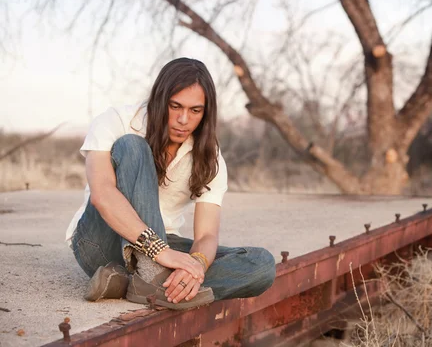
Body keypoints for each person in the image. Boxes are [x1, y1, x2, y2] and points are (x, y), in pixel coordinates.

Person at [65, 57, 276, 310]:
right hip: (102, 241)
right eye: (175, 106)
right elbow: (102, 195)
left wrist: (196, 264)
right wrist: (159, 253)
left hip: (167, 243)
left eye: (195, 110)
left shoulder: (209, 156)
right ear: (159, 99)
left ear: (206, 112)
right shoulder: (117, 121)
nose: (183, 119)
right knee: (131, 146)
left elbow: (207, 234)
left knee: (260, 264)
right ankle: (156, 281)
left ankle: (136, 284)